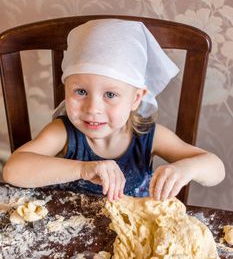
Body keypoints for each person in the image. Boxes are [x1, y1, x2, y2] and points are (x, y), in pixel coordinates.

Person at [3, 19, 225, 202]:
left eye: (110, 95)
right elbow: (13, 170)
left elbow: (216, 169)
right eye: (80, 91)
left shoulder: (148, 136)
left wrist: (186, 169)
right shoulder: (63, 132)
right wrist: (83, 169)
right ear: (66, 89)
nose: (93, 108)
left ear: (136, 98)